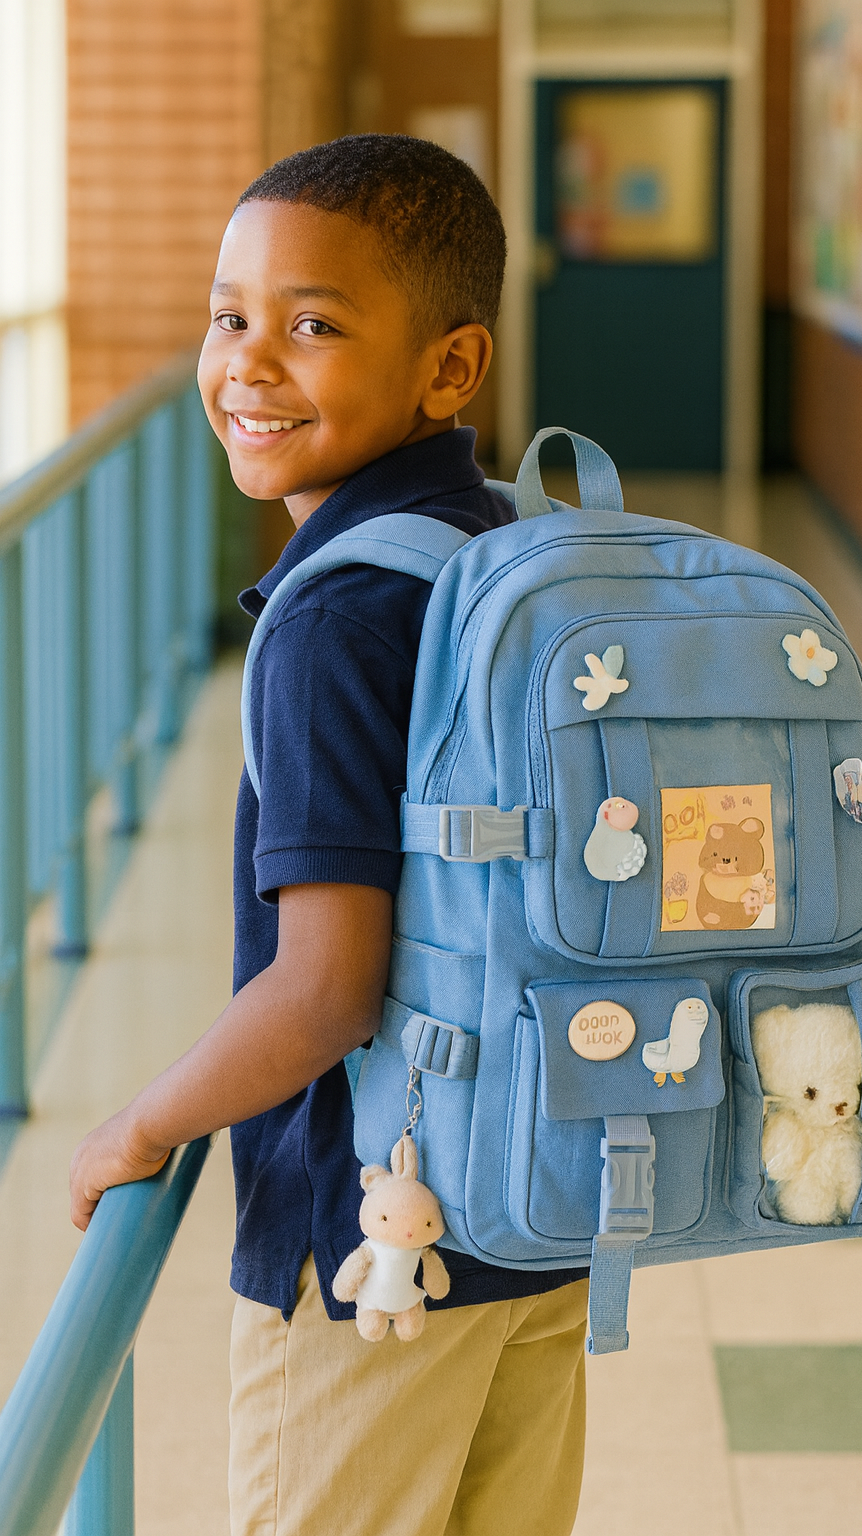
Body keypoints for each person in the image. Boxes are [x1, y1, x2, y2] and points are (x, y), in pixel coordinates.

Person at [69, 136, 589, 1536]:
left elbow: (321, 990)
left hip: (369, 1256)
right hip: (533, 1212)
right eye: (229, 316)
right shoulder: (499, 548)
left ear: (449, 368)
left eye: (313, 325)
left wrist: (142, 1120)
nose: (248, 361)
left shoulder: (333, 618)